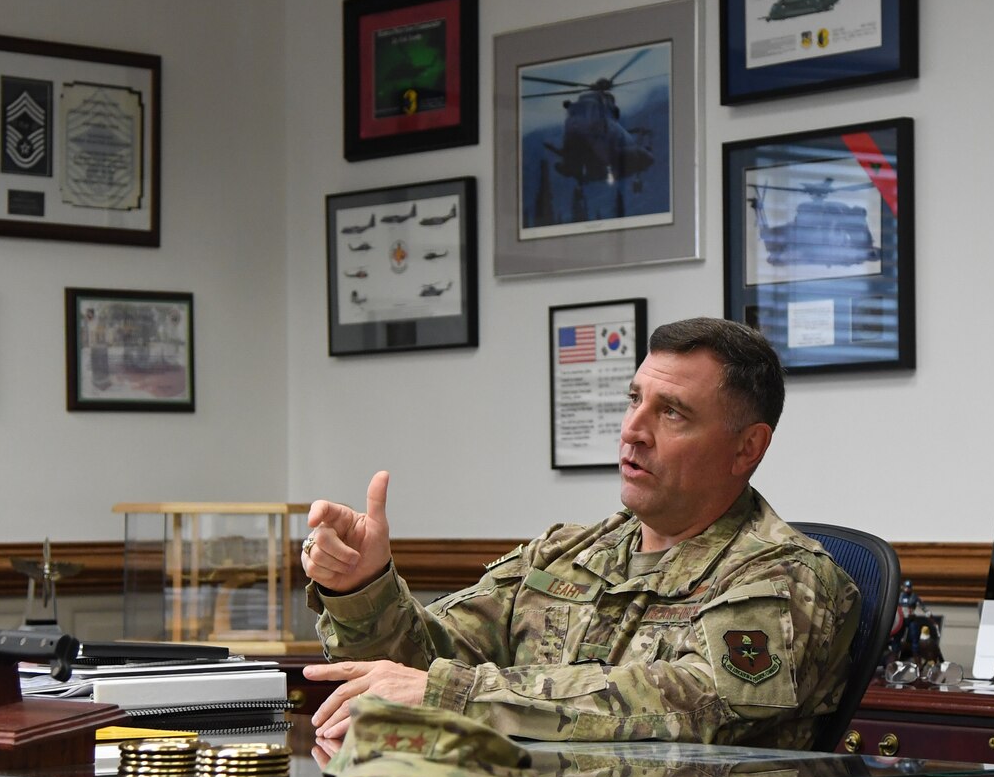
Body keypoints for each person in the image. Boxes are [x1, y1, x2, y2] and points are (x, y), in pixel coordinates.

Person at [300, 317, 858, 749]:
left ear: (747, 448)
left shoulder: (786, 577)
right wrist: (363, 587)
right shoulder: (566, 553)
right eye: (634, 399)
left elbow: (693, 709)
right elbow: (418, 670)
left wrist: (460, 696)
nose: (633, 431)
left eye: (672, 413)